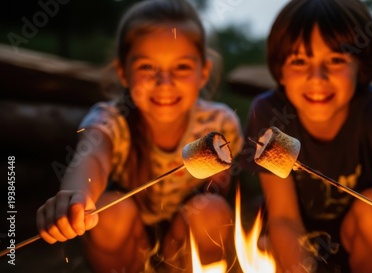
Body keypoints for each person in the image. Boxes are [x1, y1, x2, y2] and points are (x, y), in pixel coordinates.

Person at [239, 0, 372, 272]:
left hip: (358, 240)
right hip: (290, 239)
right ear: (280, 71)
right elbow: (283, 217)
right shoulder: (270, 112)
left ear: (360, 65)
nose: (317, 77)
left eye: (336, 59)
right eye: (299, 61)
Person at [36, 0, 243, 272]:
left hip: (182, 240)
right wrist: (75, 195)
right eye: (147, 67)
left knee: (211, 210)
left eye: (181, 67)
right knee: (110, 211)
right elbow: (92, 160)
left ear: (203, 71)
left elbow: (218, 187)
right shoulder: (111, 119)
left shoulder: (219, 124)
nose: (164, 82)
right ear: (123, 71)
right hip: (128, 241)